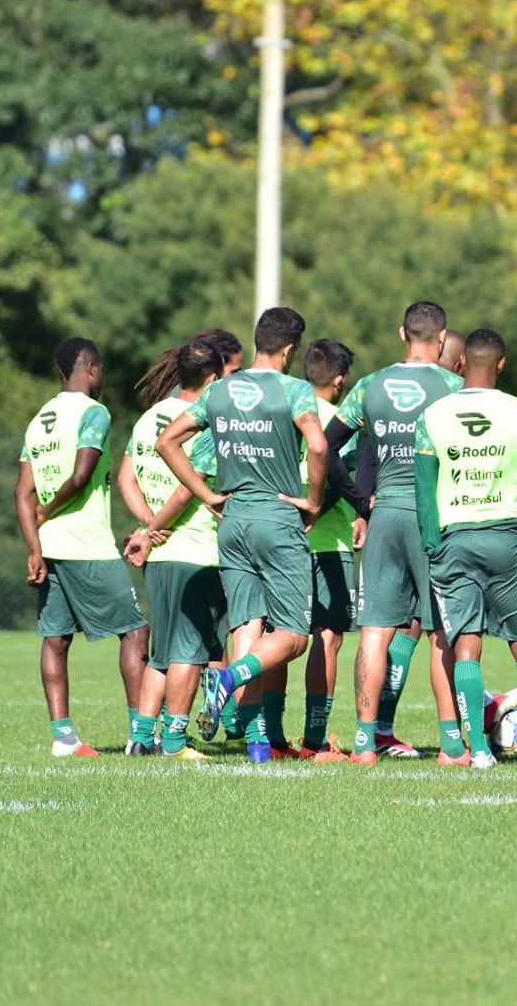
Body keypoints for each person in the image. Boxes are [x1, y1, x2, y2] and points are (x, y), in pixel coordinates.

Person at [156, 306, 327, 764]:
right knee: (293, 636)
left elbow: (167, 441)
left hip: (232, 523)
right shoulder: (294, 391)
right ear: (289, 349)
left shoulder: (220, 390)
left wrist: (206, 496)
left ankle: (255, 746)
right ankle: (229, 679)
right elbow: (317, 443)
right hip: (277, 517)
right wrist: (312, 500)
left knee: (247, 630)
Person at [415, 327, 517, 768]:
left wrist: (432, 541)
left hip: (453, 539)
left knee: (466, 646)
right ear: (501, 364)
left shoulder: (433, 414)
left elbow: (423, 490)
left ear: (461, 362)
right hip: (505, 535)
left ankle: (479, 751)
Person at [327, 303, 465, 764]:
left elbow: (325, 445)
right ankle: (450, 746)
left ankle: (364, 744)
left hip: (383, 513)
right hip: (434, 518)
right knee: (440, 633)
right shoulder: (453, 387)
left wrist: (358, 501)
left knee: (374, 631)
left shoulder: (369, 385)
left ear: (401, 332)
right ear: (442, 338)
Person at [16, 337, 148, 757]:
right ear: (91, 367)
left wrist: (34, 547)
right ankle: (140, 734)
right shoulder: (95, 413)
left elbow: (22, 492)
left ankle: (63, 737)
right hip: (85, 543)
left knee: (55, 638)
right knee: (135, 631)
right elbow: (80, 475)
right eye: (102, 369)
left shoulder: (39, 420)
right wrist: (48, 511)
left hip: (51, 548)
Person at [119, 337, 223, 760]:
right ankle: (176, 743)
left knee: (163, 653)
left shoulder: (147, 419)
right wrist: (154, 527)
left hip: (160, 555)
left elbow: (125, 479)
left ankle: (141, 737)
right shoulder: (200, 420)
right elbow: (186, 492)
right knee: (190, 652)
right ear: (213, 378)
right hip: (194, 550)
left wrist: (146, 525)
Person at [276, 339, 358, 760]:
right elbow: (348, 483)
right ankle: (313, 740)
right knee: (327, 638)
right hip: (328, 544)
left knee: (278, 636)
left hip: (281, 541)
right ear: (340, 380)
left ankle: (270, 738)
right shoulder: (341, 419)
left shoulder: (285, 407)